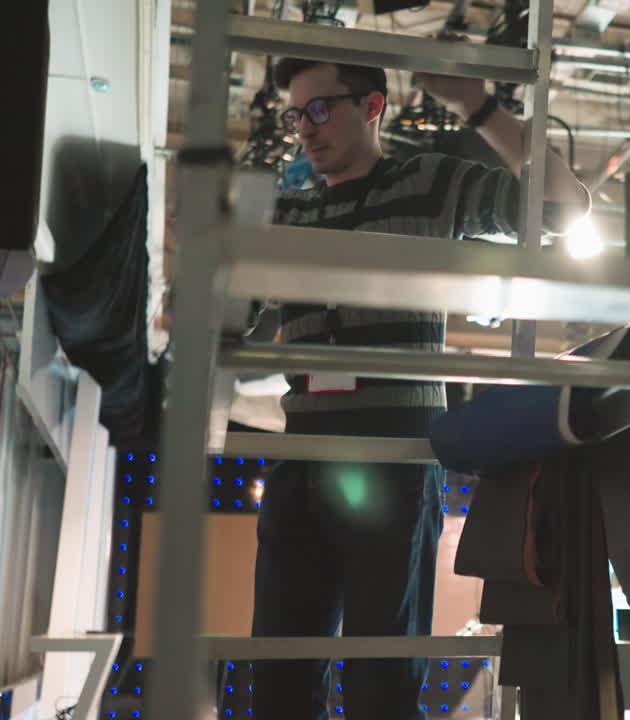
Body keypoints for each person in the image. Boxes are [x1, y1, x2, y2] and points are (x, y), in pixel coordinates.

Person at [250, 55, 589, 720]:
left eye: (321, 109)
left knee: (382, 679)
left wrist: (480, 108)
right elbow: (221, 303)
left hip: (394, 452)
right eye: (296, 116)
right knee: (279, 681)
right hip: (303, 450)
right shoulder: (288, 210)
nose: (306, 130)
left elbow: (560, 206)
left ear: (371, 106)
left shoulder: (426, 182)